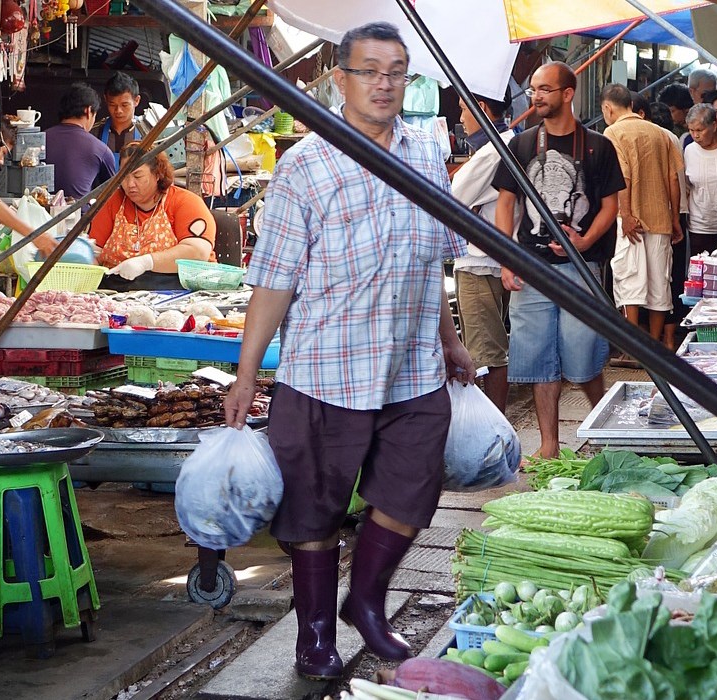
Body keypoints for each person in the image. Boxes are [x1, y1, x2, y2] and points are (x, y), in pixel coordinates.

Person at [220, 22, 473, 679]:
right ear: (341, 79)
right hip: (325, 369)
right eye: (370, 70)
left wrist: (450, 339)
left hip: (413, 363)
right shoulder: (307, 163)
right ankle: (314, 636)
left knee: (412, 487)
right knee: (312, 507)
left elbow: (434, 261)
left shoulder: (427, 152)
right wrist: (248, 374)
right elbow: (274, 280)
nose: (385, 83)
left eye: (397, 71)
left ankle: (366, 601)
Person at [493, 61, 624, 460]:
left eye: (546, 89)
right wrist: (506, 257)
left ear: (568, 94)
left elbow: (610, 206)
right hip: (531, 268)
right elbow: (506, 202)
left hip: (580, 269)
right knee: (537, 360)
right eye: (534, 89)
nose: (536, 97)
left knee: (584, 355)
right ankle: (549, 444)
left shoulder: (597, 146)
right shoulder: (520, 144)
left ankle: (605, 427)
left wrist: (584, 241)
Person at [601, 84, 683, 344]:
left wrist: (626, 214)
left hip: (631, 221)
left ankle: (633, 348)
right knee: (660, 286)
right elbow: (673, 178)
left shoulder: (613, 132)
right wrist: (675, 219)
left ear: (607, 108)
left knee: (629, 285)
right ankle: (654, 345)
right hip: (661, 219)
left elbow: (621, 175)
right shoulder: (661, 134)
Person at [450, 96, 515, 411]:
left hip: (480, 263)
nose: (461, 116)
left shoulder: (493, 152)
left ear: (483, 109)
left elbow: (450, 199)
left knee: (486, 353)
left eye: (464, 108)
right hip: (490, 262)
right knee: (490, 347)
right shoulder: (502, 144)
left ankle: (492, 423)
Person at [89, 146, 216, 291]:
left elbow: (198, 252)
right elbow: (94, 252)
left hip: (178, 291)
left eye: (137, 176)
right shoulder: (113, 202)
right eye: (124, 177)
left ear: (157, 175)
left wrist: (146, 262)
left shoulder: (185, 202)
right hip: (119, 291)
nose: (130, 184)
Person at [43, 83, 118, 198]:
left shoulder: (39, 139)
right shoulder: (100, 149)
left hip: (34, 212)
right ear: (88, 111)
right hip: (80, 215)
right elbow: (112, 194)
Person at [679, 104, 717, 258]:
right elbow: (686, 185)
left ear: (714, 126)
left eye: (699, 130)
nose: (695, 135)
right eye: (691, 130)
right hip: (699, 225)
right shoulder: (689, 150)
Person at [98, 72, 145, 155]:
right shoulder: (95, 132)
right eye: (112, 105)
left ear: (136, 100)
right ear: (105, 99)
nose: (118, 110)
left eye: (124, 105)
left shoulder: (149, 133)